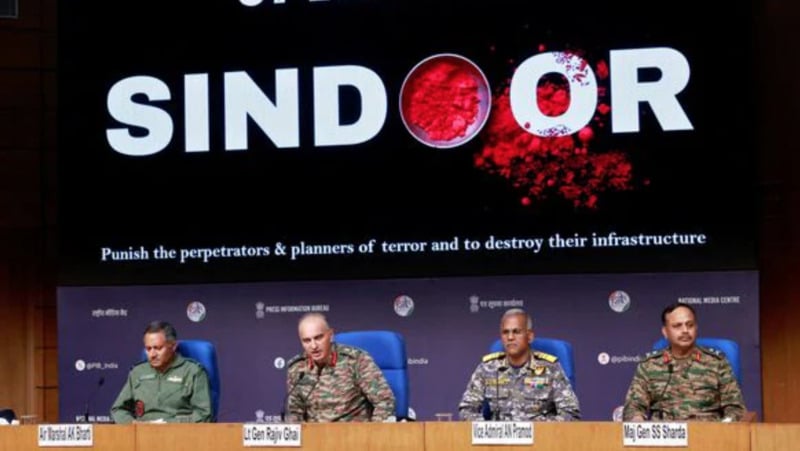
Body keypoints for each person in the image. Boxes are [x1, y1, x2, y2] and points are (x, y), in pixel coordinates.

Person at [623, 303, 746, 421]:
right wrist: (637, 420)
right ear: (665, 332)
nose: (685, 330)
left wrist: (726, 427)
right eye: (677, 326)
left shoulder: (717, 362)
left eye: (690, 325)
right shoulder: (649, 365)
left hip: (708, 436)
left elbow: (735, 408)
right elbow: (633, 407)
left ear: (696, 328)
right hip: (665, 439)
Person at [458, 308, 581, 421]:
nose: (510, 337)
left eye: (516, 332)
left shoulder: (551, 369)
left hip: (540, 441)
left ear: (530, 336)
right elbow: (466, 410)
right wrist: (488, 430)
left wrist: (539, 430)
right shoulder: (487, 369)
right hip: (499, 441)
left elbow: (571, 413)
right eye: (505, 332)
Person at [284, 313, 395, 422]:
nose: (313, 346)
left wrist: (371, 435)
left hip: (354, 436)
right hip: (315, 437)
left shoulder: (356, 360)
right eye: (307, 340)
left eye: (318, 338)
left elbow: (385, 401)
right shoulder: (297, 368)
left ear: (331, 335)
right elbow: (294, 413)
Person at [110, 321, 212, 423]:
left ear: (173, 346)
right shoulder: (138, 372)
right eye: (148, 349)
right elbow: (118, 410)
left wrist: (168, 424)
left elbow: (203, 415)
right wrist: (133, 424)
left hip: (179, 434)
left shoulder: (193, 371)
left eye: (158, 348)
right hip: (142, 434)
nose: (152, 354)